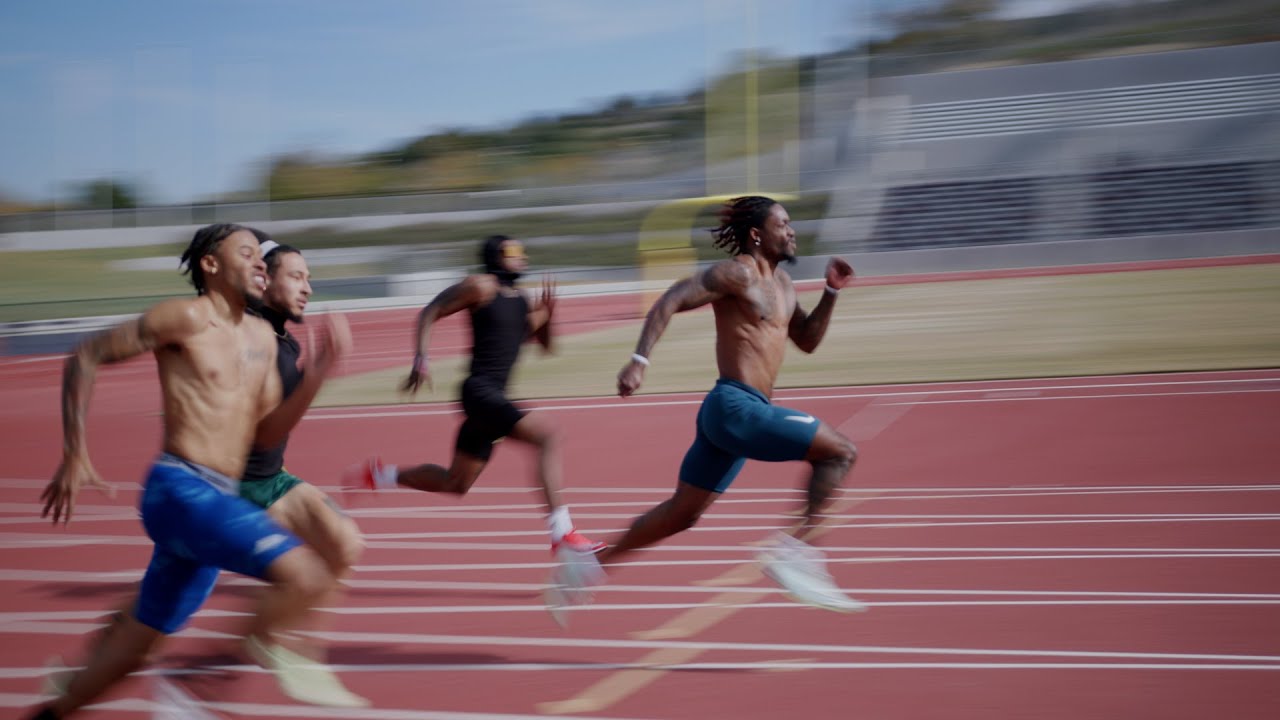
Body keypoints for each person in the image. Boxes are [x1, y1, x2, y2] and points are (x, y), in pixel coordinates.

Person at [28, 224, 363, 719]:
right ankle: (237, 669)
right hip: (179, 489)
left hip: (218, 501)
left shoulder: (261, 341)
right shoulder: (183, 317)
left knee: (137, 651)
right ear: (210, 265)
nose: (257, 263)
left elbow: (267, 435)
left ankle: (53, 711)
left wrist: (316, 375)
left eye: (259, 256)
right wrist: (75, 451)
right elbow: (87, 353)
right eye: (245, 253)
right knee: (304, 575)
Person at [550, 196, 863, 619]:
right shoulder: (735, 274)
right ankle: (796, 551)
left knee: (682, 514)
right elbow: (671, 299)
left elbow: (806, 340)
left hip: (732, 417)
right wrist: (639, 361)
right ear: (757, 234)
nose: (791, 231)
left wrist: (830, 292)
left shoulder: (786, 287)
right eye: (783, 224)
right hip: (734, 405)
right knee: (840, 451)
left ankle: (589, 563)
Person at [344, 235, 602, 555]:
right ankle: (561, 533)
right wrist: (421, 360)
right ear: (495, 257)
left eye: (523, 250)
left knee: (456, 482)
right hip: (479, 391)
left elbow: (545, 346)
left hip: (490, 401)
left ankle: (380, 475)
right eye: (513, 251)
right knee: (548, 436)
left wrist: (548, 314)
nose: (521, 256)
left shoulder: (522, 299)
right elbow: (431, 311)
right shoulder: (480, 287)